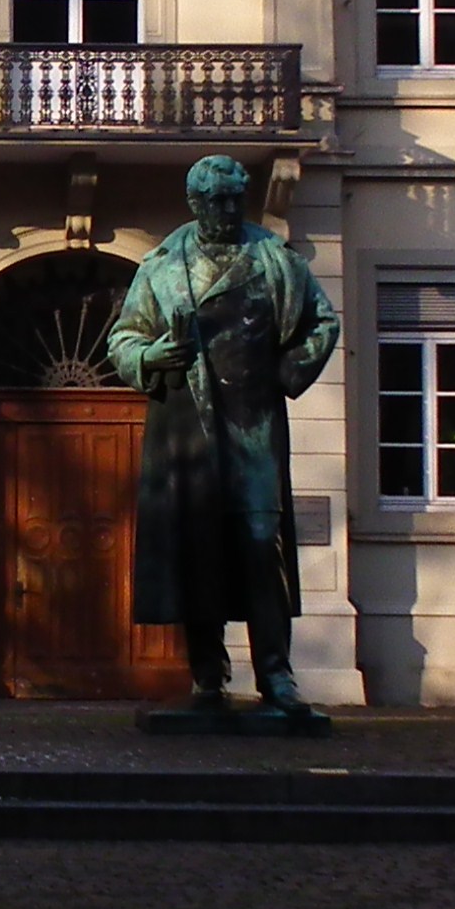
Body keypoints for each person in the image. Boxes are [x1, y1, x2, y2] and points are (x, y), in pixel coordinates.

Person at [103, 154, 341, 715]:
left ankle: (276, 676)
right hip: (186, 426)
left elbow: (322, 321)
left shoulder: (275, 258)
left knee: (262, 547)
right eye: (217, 201)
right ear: (195, 203)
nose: (229, 210)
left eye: (236, 199)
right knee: (198, 548)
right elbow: (123, 339)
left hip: (253, 423)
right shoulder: (162, 266)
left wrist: (286, 374)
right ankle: (207, 675)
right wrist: (151, 355)